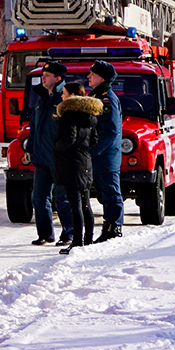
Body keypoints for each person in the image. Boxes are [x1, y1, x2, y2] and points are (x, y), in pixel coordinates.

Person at [22, 61, 69, 246]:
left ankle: (69, 233)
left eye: (47, 75)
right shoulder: (41, 99)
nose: (43, 77)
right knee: (39, 198)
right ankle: (45, 234)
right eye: (43, 74)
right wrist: (30, 148)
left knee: (64, 198)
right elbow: (34, 128)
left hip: (58, 158)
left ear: (57, 79)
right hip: (41, 157)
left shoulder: (64, 99)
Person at [52, 82, 102, 252]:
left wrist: (57, 147)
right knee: (85, 202)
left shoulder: (68, 115)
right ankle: (88, 239)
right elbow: (95, 140)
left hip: (70, 162)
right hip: (85, 160)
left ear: (72, 95)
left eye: (64, 93)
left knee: (75, 204)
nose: (62, 96)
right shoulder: (91, 115)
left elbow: (70, 137)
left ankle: (78, 242)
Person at [87, 61, 125, 242]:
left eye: (92, 74)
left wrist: (93, 151)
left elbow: (110, 131)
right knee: (103, 192)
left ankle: (113, 227)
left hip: (106, 155)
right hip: (99, 155)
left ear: (101, 78)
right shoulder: (96, 96)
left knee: (111, 192)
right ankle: (108, 226)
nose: (88, 77)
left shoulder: (107, 98)